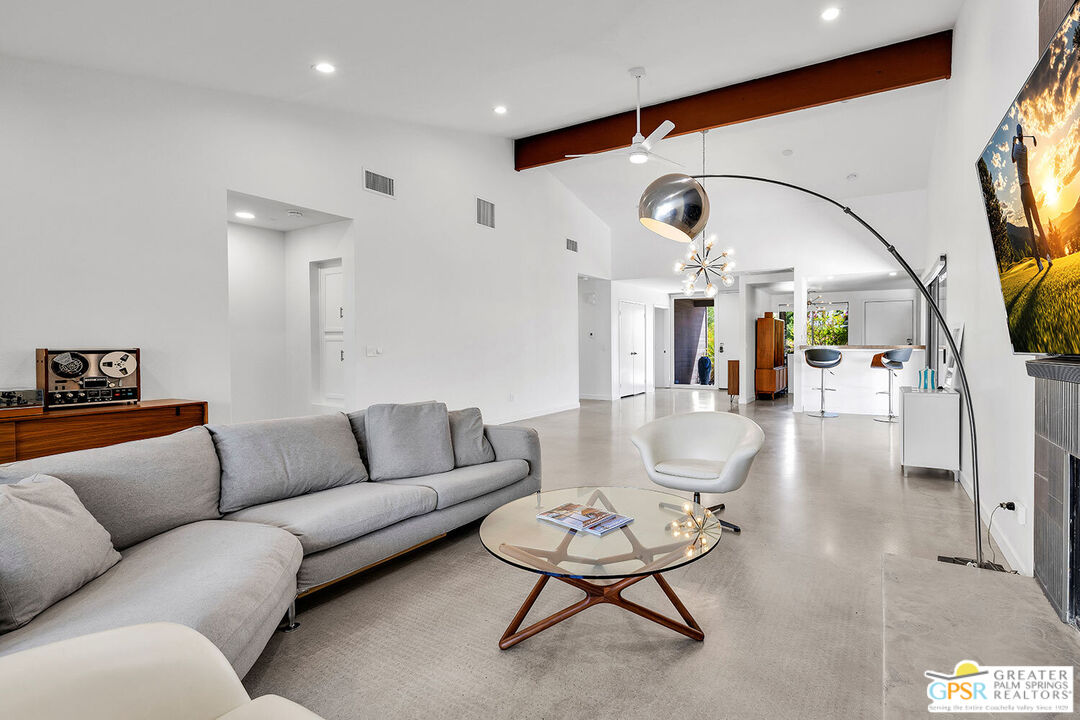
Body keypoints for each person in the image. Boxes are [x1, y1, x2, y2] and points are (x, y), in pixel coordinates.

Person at [1012, 123, 1053, 271]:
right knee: (1039, 224)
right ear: (1023, 135)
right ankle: (1048, 255)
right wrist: (1017, 141)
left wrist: (1012, 143)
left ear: (1018, 135)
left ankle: (1039, 262)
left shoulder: (1016, 148)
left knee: (1030, 227)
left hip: (1024, 190)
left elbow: (1012, 159)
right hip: (1030, 189)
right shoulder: (1025, 148)